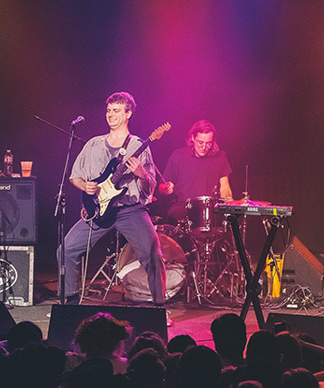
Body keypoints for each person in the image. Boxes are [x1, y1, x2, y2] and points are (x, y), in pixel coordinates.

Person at [57, 91, 167, 305]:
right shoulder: (93, 144)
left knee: (152, 253)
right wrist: (86, 187)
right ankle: (69, 304)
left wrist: (141, 174)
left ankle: (159, 306)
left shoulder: (138, 146)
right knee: (65, 250)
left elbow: (151, 185)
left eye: (116, 111)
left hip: (131, 210)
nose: (110, 114)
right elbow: (75, 177)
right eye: (108, 110)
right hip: (98, 210)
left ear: (128, 114)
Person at [158, 119, 234, 224]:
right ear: (193, 138)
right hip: (183, 208)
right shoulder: (178, 156)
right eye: (200, 142)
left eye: (208, 143)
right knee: (173, 214)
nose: (204, 147)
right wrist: (166, 188)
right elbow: (161, 187)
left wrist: (230, 203)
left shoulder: (220, 157)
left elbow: (225, 187)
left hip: (209, 209)